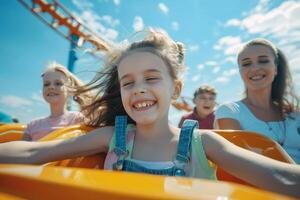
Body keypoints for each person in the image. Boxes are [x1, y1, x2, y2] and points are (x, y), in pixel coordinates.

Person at [0, 30, 299, 198]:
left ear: (176, 88)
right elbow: (34, 153)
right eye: (128, 82)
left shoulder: (204, 144)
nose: (138, 89)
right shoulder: (112, 138)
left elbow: (279, 177)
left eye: (152, 78)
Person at [215, 38, 300, 164]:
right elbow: (239, 163)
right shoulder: (230, 112)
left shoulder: (295, 114)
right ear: (240, 71)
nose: (254, 68)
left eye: (263, 61)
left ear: (276, 68)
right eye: (246, 64)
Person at [22, 62, 86, 141]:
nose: (51, 87)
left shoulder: (76, 119)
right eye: (46, 84)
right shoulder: (32, 125)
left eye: (58, 83)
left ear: (69, 89)